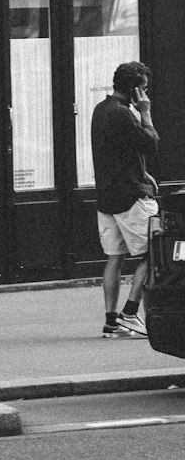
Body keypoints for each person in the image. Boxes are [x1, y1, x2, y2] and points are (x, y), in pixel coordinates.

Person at [90, 60, 159, 339]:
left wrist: (144, 172)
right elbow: (150, 143)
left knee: (114, 258)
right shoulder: (124, 114)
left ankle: (111, 322)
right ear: (133, 89)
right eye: (142, 89)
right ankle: (130, 314)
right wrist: (146, 113)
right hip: (130, 196)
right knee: (152, 255)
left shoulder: (101, 110)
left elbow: (117, 152)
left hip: (106, 196)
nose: (145, 95)